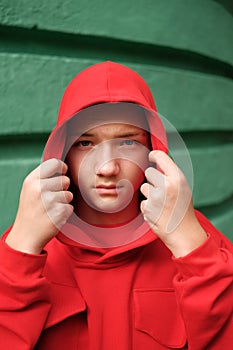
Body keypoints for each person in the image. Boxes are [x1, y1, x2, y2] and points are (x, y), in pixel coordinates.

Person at [0, 61, 232, 350]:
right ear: (61, 151)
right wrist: (21, 248)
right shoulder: (26, 247)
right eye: (85, 143)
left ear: (154, 150)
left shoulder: (197, 238)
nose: (107, 167)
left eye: (127, 142)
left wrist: (191, 247)